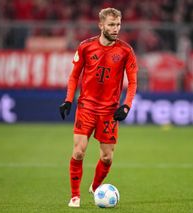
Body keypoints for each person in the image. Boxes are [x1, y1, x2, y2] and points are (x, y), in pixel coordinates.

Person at [59, 8, 138, 208]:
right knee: (78, 152)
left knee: (107, 157)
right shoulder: (86, 47)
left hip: (109, 111)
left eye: (118, 24)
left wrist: (127, 106)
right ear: (101, 25)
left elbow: (134, 82)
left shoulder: (126, 51)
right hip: (86, 107)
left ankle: (95, 187)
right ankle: (75, 196)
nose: (116, 28)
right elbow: (74, 76)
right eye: (111, 24)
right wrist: (68, 99)